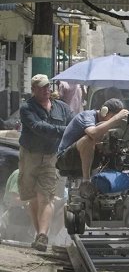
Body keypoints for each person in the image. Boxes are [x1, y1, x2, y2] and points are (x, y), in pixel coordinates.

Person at [19, 74, 73, 251]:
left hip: (51, 157)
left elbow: (75, 124)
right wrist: (65, 131)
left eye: (48, 86)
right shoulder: (27, 108)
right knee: (32, 199)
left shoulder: (62, 108)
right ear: (33, 89)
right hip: (30, 157)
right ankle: (39, 234)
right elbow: (39, 128)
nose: (46, 89)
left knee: (46, 197)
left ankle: (43, 235)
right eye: (42, 87)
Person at [56, 98, 129, 197]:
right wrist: (115, 119)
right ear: (104, 111)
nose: (114, 122)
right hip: (66, 158)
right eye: (112, 117)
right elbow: (93, 133)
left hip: (90, 157)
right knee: (88, 139)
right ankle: (86, 181)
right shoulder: (86, 116)